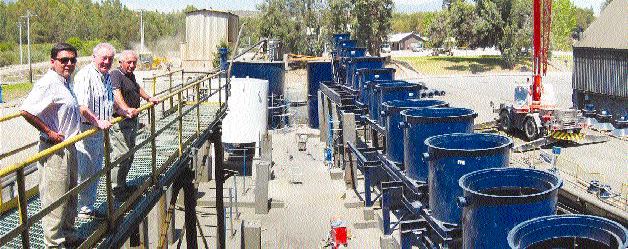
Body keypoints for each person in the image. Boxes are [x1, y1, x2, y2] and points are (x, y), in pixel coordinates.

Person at [20, 42, 83, 247]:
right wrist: (49, 132)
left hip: (70, 146)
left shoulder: (66, 81)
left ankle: (69, 233)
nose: (69, 63)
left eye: (73, 60)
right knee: (55, 199)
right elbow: (26, 110)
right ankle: (54, 243)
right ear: (53, 62)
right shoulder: (48, 82)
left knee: (71, 194)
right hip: (55, 149)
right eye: (64, 60)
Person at [73, 43, 115, 219]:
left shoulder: (106, 76)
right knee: (86, 169)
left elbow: (107, 101)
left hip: (100, 131)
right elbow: (82, 107)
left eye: (110, 59)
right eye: (103, 58)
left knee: (96, 168)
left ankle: (87, 206)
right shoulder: (85, 75)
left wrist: (120, 111)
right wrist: (98, 121)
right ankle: (83, 210)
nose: (106, 62)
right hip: (88, 129)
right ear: (94, 57)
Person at [110, 50, 159, 197]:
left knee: (130, 154)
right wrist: (126, 109)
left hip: (132, 121)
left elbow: (137, 88)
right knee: (122, 155)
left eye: (134, 63)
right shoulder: (116, 75)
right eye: (129, 62)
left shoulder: (130, 75)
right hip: (121, 122)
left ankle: (122, 184)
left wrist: (149, 98)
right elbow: (116, 93)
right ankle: (116, 189)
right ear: (121, 62)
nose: (132, 65)